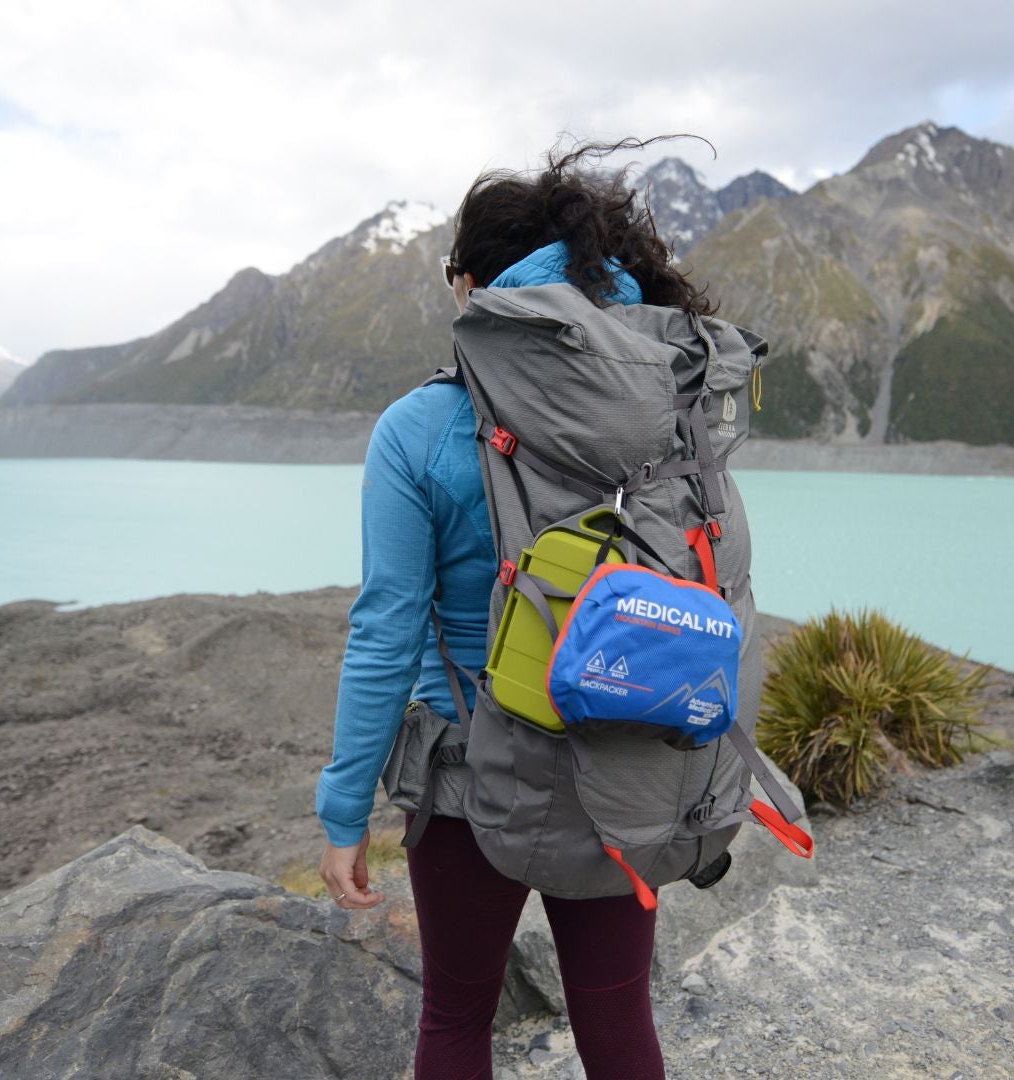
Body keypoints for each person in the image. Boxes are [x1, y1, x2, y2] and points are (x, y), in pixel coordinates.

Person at [315, 137, 718, 1080]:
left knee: (456, 1020)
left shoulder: (418, 428)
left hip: (467, 770)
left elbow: (384, 633)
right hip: (627, 746)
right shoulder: (658, 400)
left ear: (471, 286)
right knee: (618, 1024)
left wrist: (344, 813)